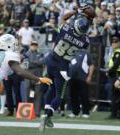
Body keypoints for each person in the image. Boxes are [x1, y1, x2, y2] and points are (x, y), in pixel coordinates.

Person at [39, 3, 96, 132]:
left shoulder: (65, 29)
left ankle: (46, 109)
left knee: (51, 87)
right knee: (60, 96)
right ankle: (47, 115)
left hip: (51, 61)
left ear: (75, 24)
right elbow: (86, 31)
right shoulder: (85, 41)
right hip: (63, 67)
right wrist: (90, 19)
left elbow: (63, 18)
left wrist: (76, 12)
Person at [68, 49, 94, 118]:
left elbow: (91, 65)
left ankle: (86, 112)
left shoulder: (86, 53)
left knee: (84, 95)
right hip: (72, 77)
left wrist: (89, 76)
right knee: (73, 96)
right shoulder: (71, 52)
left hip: (83, 77)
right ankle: (75, 112)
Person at [106, 36, 120, 119]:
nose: (114, 44)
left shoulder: (119, 53)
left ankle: (114, 114)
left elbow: (116, 65)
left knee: (115, 95)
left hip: (117, 76)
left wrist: (108, 72)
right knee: (119, 95)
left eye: (116, 42)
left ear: (119, 43)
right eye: (113, 42)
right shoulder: (117, 52)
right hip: (118, 76)